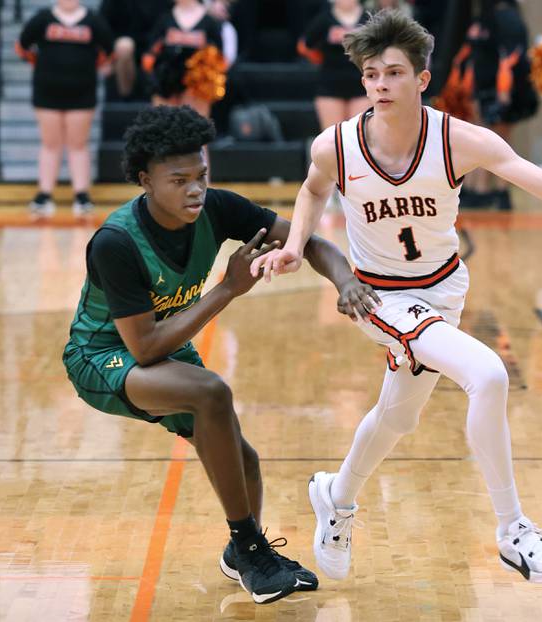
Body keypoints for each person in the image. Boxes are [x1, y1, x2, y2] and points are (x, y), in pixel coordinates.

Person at [250, 9, 542, 585]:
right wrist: (294, 243)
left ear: (422, 79)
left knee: (399, 417)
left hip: (443, 288)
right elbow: (313, 191)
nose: (380, 85)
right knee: (487, 374)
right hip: (378, 296)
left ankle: (335, 497)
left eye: (393, 73)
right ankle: (513, 530)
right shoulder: (335, 145)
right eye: (370, 74)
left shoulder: (460, 141)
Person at [61, 105, 380, 603]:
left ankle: (244, 554)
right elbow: (143, 348)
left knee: (243, 458)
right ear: (146, 181)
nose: (195, 189)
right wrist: (228, 288)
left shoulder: (218, 208)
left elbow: (305, 241)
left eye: (202, 175)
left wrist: (345, 280)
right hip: (103, 356)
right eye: (179, 179)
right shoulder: (116, 242)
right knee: (211, 392)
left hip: (161, 343)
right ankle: (251, 550)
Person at [16, 0, 115, 218]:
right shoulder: (42, 18)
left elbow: (109, 50)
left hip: (82, 93)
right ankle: (44, 195)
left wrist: (87, 68)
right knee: (50, 144)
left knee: (78, 144)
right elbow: (22, 46)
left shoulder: (93, 20)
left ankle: (82, 195)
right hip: (46, 92)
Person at [462, 0, 538, 210]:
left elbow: (511, 57)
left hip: (501, 91)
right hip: (482, 89)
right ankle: (480, 189)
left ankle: (501, 192)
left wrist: (504, 92)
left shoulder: (508, 18)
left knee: (499, 142)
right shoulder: (483, 18)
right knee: (482, 139)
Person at [142, 0, 225, 118]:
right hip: (166, 83)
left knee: (194, 125)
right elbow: (150, 54)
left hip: (198, 85)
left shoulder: (210, 21)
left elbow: (219, 57)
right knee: (164, 125)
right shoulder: (163, 18)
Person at [298, 0, 371, 130]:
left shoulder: (369, 18)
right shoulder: (324, 18)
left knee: (359, 135)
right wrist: (319, 60)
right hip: (330, 86)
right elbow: (305, 45)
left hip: (361, 86)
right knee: (333, 137)